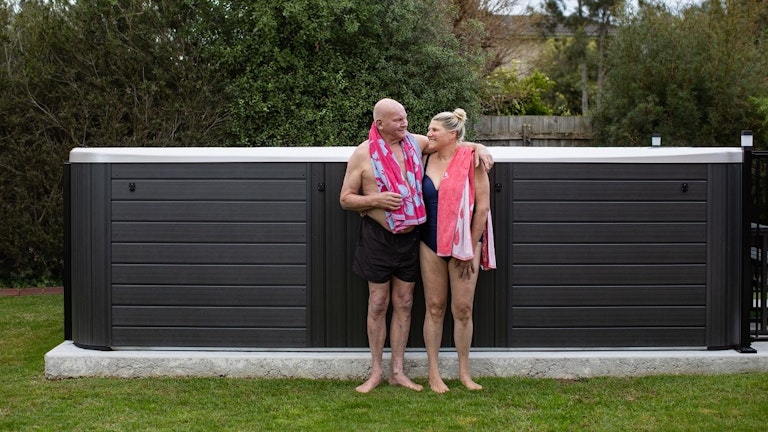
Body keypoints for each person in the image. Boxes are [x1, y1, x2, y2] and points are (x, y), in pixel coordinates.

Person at [339, 98, 493, 393]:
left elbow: (452, 141)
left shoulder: (415, 143)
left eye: (405, 117)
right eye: (398, 120)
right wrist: (376, 200)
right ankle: (375, 373)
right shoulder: (363, 153)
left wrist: (479, 147)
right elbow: (345, 198)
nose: (405, 123)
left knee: (406, 303)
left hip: (411, 238)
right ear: (380, 124)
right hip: (378, 239)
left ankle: (398, 372)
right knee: (377, 304)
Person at [420, 108, 496, 393]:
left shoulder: (471, 161)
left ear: (452, 135)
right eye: (429, 129)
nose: (429, 133)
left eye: (434, 130)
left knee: (463, 309)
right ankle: (433, 373)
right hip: (429, 243)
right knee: (434, 307)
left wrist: (469, 248)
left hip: (465, 245)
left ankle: (464, 372)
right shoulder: (424, 156)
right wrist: (476, 143)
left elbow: (483, 207)